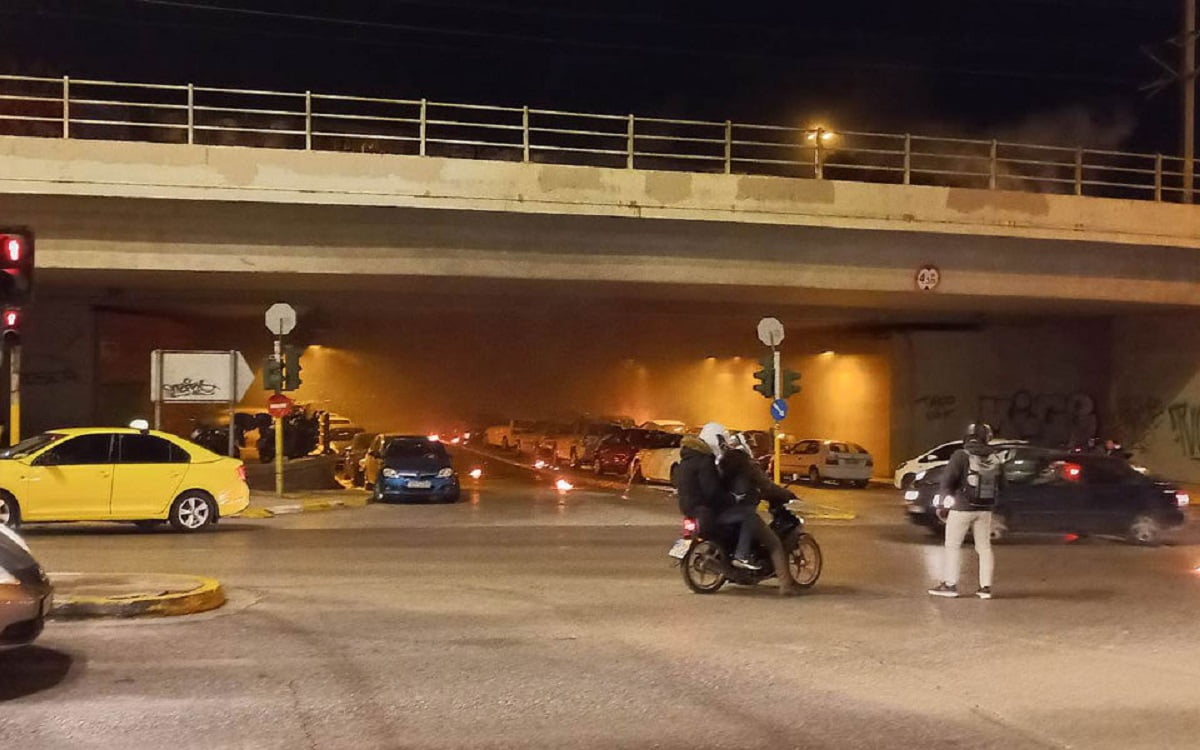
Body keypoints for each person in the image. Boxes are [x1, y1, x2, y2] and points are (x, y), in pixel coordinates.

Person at [701, 423, 798, 595]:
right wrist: (787, 494)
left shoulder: (721, 464)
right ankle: (786, 585)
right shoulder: (747, 465)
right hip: (742, 511)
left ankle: (732, 565)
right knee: (774, 543)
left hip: (722, 511)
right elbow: (766, 486)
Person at [928, 422, 1004, 600]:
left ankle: (950, 585)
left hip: (962, 508)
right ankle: (985, 588)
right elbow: (1002, 485)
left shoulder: (961, 455)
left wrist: (943, 505)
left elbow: (947, 482)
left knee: (953, 546)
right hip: (985, 509)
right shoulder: (995, 457)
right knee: (984, 548)